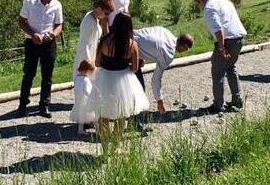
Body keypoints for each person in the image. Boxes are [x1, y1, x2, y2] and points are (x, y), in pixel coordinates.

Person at [94, 12, 149, 152]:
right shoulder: (132, 45)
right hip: (124, 80)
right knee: (121, 116)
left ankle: (105, 147)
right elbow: (135, 68)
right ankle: (115, 146)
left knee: (103, 115)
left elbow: (97, 63)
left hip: (105, 78)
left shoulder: (105, 41)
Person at [193, 0, 247, 114]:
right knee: (230, 68)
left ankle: (218, 105)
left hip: (227, 42)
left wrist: (221, 48)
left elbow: (218, 30)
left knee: (218, 73)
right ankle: (237, 100)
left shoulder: (209, 8)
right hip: (238, 39)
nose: (199, 7)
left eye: (198, 4)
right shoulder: (225, 2)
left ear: (200, 0)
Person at [17, 0, 63, 117]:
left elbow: (59, 25)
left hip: (48, 43)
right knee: (29, 74)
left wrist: (53, 35)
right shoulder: (29, 2)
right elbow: (21, 21)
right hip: (32, 42)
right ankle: (22, 105)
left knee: (47, 76)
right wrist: (32, 34)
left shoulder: (57, 5)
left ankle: (44, 105)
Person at [133, 27, 194, 114]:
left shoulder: (166, 32)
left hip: (125, 36)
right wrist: (160, 101)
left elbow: (146, 37)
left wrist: (141, 56)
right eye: (186, 49)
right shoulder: (168, 53)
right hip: (126, 49)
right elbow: (156, 79)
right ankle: (128, 113)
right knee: (139, 88)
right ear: (185, 47)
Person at [72, 0, 115, 81]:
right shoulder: (89, 22)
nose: (107, 16)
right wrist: (89, 64)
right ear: (99, 9)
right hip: (85, 60)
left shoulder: (94, 18)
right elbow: (85, 45)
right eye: (106, 13)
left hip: (93, 56)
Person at [70, 60, 97, 135]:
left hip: (79, 101)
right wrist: (93, 97)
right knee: (94, 116)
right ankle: (98, 129)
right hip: (86, 101)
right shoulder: (86, 80)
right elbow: (87, 91)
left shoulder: (76, 78)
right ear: (87, 70)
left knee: (81, 117)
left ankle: (80, 130)